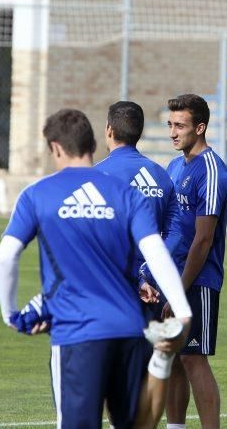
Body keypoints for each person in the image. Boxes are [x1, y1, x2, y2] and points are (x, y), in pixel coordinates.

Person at [0, 108, 192, 428]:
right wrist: (183, 313)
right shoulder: (127, 195)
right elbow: (155, 251)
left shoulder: (37, 194)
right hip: (130, 328)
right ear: (93, 142)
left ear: (56, 148)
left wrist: (10, 313)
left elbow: (6, 256)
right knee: (135, 424)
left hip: (77, 330)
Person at [163, 94, 227, 429]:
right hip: (171, 279)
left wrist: (179, 289)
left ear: (200, 127)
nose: (173, 132)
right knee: (174, 357)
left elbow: (203, 239)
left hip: (198, 280)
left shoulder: (214, 171)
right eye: (170, 124)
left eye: (180, 125)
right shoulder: (174, 167)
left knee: (193, 358)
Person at [95, 100, 180, 307]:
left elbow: (98, 239)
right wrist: (146, 273)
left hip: (111, 287)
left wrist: (137, 278)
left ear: (109, 129)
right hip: (153, 290)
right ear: (139, 132)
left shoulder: (96, 176)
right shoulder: (161, 175)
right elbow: (176, 234)